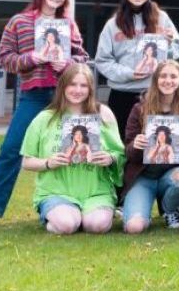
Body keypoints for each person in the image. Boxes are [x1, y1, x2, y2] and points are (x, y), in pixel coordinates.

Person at [0, 0, 88, 226]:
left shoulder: (67, 24)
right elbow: (4, 58)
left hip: (66, 96)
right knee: (11, 149)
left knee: (73, 149)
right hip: (34, 95)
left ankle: (70, 208)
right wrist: (33, 58)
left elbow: (82, 58)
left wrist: (68, 63)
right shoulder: (20, 22)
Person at [19, 64, 124, 235]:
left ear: (90, 89)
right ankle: (60, 216)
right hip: (56, 190)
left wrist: (110, 158)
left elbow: (120, 154)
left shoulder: (103, 114)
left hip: (96, 191)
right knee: (67, 225)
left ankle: (91, 215)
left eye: (83, 86)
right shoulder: (44, 118)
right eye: (72, 84)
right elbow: (27, 161)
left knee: (96, 226)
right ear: (63, 86)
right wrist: (48, 162)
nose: (77, 90)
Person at [93, 0, 179, 143]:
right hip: (122, 95)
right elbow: (102, 60)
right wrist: (129, 73)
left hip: (155, 94)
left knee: (153, 143)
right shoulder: (112, 24)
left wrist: (170, 44)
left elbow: (175, 53)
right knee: (121, 143)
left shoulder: (162, 18)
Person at [121, 60, 179, 233]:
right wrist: (136, 146)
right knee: (134, 228)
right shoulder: (139, 108)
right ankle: (141, 210)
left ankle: (169, 209)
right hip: (143, 176)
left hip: (173, 174)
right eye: (163, 76)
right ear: (156, 79)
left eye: (173, 76)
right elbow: (128, 152)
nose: (168, 80)